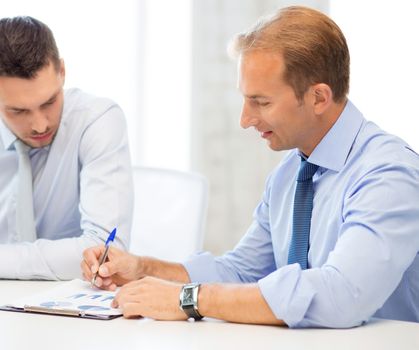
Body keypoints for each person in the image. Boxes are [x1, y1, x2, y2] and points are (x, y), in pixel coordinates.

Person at [81, 6, 419, 328]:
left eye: (261, 102)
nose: (245, 120)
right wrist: (144, 269)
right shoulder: (290, 173)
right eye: (245, 99)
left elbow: (342, 295)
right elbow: (242, 272)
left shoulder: (388, 174)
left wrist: (189, 299)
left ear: (319, 97)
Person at [0, 16, 133, 280]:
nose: (39, 125)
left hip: (72, 303)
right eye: (19, 111)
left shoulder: (97, 120)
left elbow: (106, 251)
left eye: (49, 101)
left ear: (62, 71)